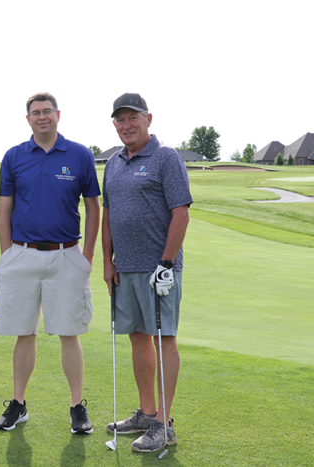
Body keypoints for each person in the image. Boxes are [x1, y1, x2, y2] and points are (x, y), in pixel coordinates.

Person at [0, 92, 100, 434]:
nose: (42, 117)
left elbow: (94, 207)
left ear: (58, 115)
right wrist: (6, 252)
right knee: (24, 332)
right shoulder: (14, 157)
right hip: (21, 253)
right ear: (28, 119)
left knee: (69, 333)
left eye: (47, 111)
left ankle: (77, 406)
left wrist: (89, 255)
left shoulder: (80, 155)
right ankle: (18, 404)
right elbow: (5, 208)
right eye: (35, 113)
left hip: (67, 254)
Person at [102, 93, 193, 452]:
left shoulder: (166, 158)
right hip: (125, 269)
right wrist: (107, 262)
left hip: (159, 270)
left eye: (132, 118)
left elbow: (180, 214)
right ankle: (146, 411)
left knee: (163, 340)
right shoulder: (113, 163)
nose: (126, 125)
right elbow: (108, 215)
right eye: (120, 120)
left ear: (148, 119)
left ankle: (164, 424)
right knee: (138, 338)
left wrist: (167, 264)